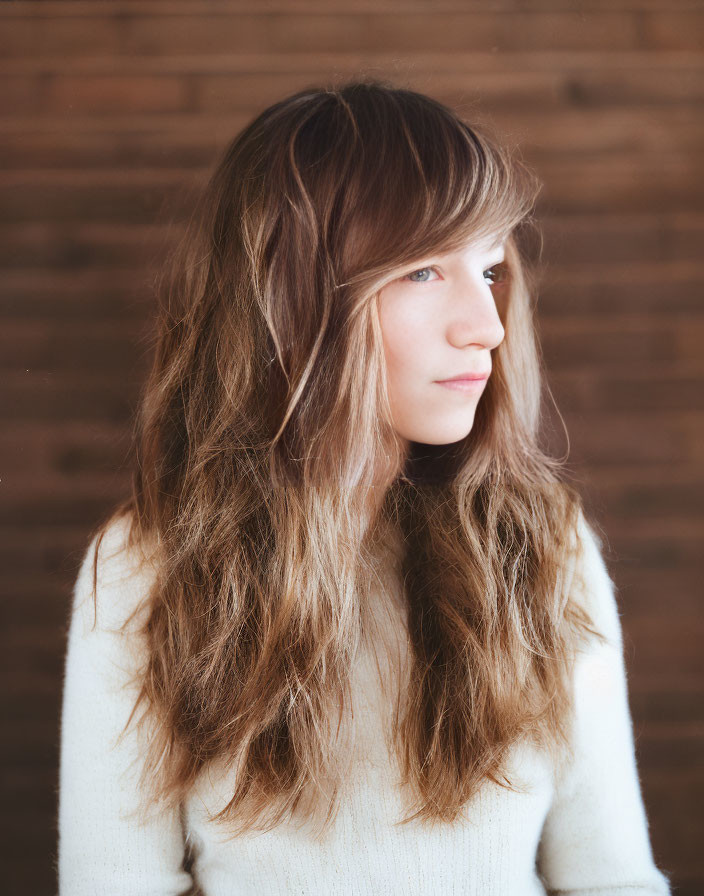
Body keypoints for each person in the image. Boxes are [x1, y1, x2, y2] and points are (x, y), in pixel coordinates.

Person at [57, 78, 672, 895]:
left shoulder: (547, 548)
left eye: (489, 270)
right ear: (294, 296)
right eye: (422, 272)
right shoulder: (144, 569)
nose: (486, 325)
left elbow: (612, 881)